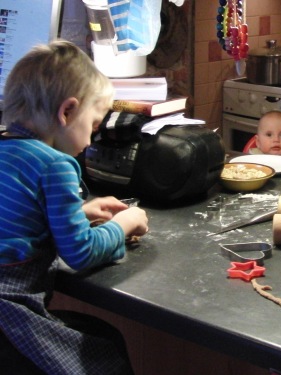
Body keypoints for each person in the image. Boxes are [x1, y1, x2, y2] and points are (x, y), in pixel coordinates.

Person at [0, 40, 149, 374]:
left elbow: (15, 218)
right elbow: (80, 252)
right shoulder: (54, 165)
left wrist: (78, 212)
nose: (91, 140)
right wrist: (125, 224)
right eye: (94, 126)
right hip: (9, 319)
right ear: (67, 112)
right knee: (104, 358)